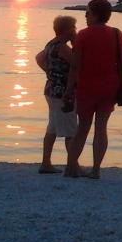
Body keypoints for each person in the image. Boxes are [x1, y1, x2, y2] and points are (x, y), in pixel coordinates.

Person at [64, 0, 122, 179]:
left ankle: (71, 167)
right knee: (101, 127)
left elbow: (75, 66)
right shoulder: (117, 34)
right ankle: (96, 169)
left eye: (88, 12)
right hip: (110, 87)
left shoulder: (83, 35)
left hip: (87, 87)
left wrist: (69, 89)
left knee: (82, 128)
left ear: (96, 15)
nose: (85, 15)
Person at [34, 15, 77, 174]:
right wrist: (76, 43)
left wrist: (50, 72)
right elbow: (78, 65)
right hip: (63, 93)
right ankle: (73, 165)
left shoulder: (51, 44)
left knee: (52, 128)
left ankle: (46, 163)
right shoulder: (63, 48)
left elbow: (38, 57)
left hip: (51, 90)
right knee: (71, 131)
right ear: (67, 29)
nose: (75, 30)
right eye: (73, 27)